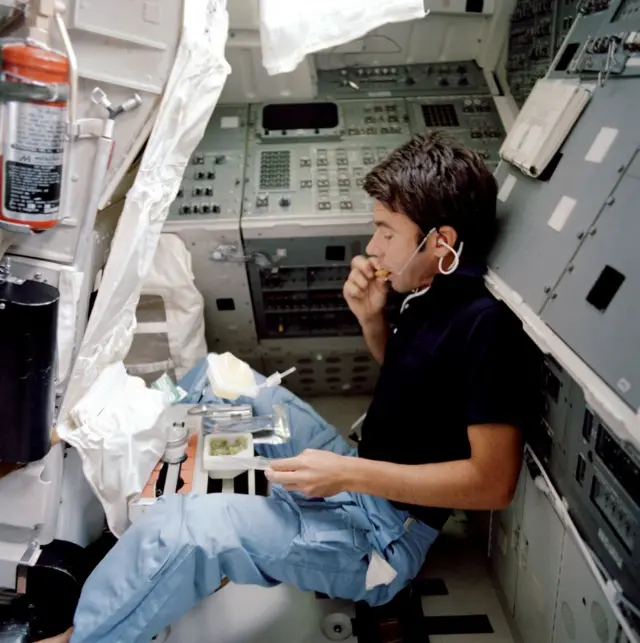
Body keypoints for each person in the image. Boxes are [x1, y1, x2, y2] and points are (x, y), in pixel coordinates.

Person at [68, 131, 537, 643]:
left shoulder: (485, 327)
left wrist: (348, 474)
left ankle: (87, 632)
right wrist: (371, 321)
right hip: (358, 470)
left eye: (386, 232)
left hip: (381, 536)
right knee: (219, 376)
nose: (372, 247)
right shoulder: (426, 289)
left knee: (192, 529)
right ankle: (163, 486)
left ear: (440, 242)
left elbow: (493, 482)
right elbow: (419, 384)